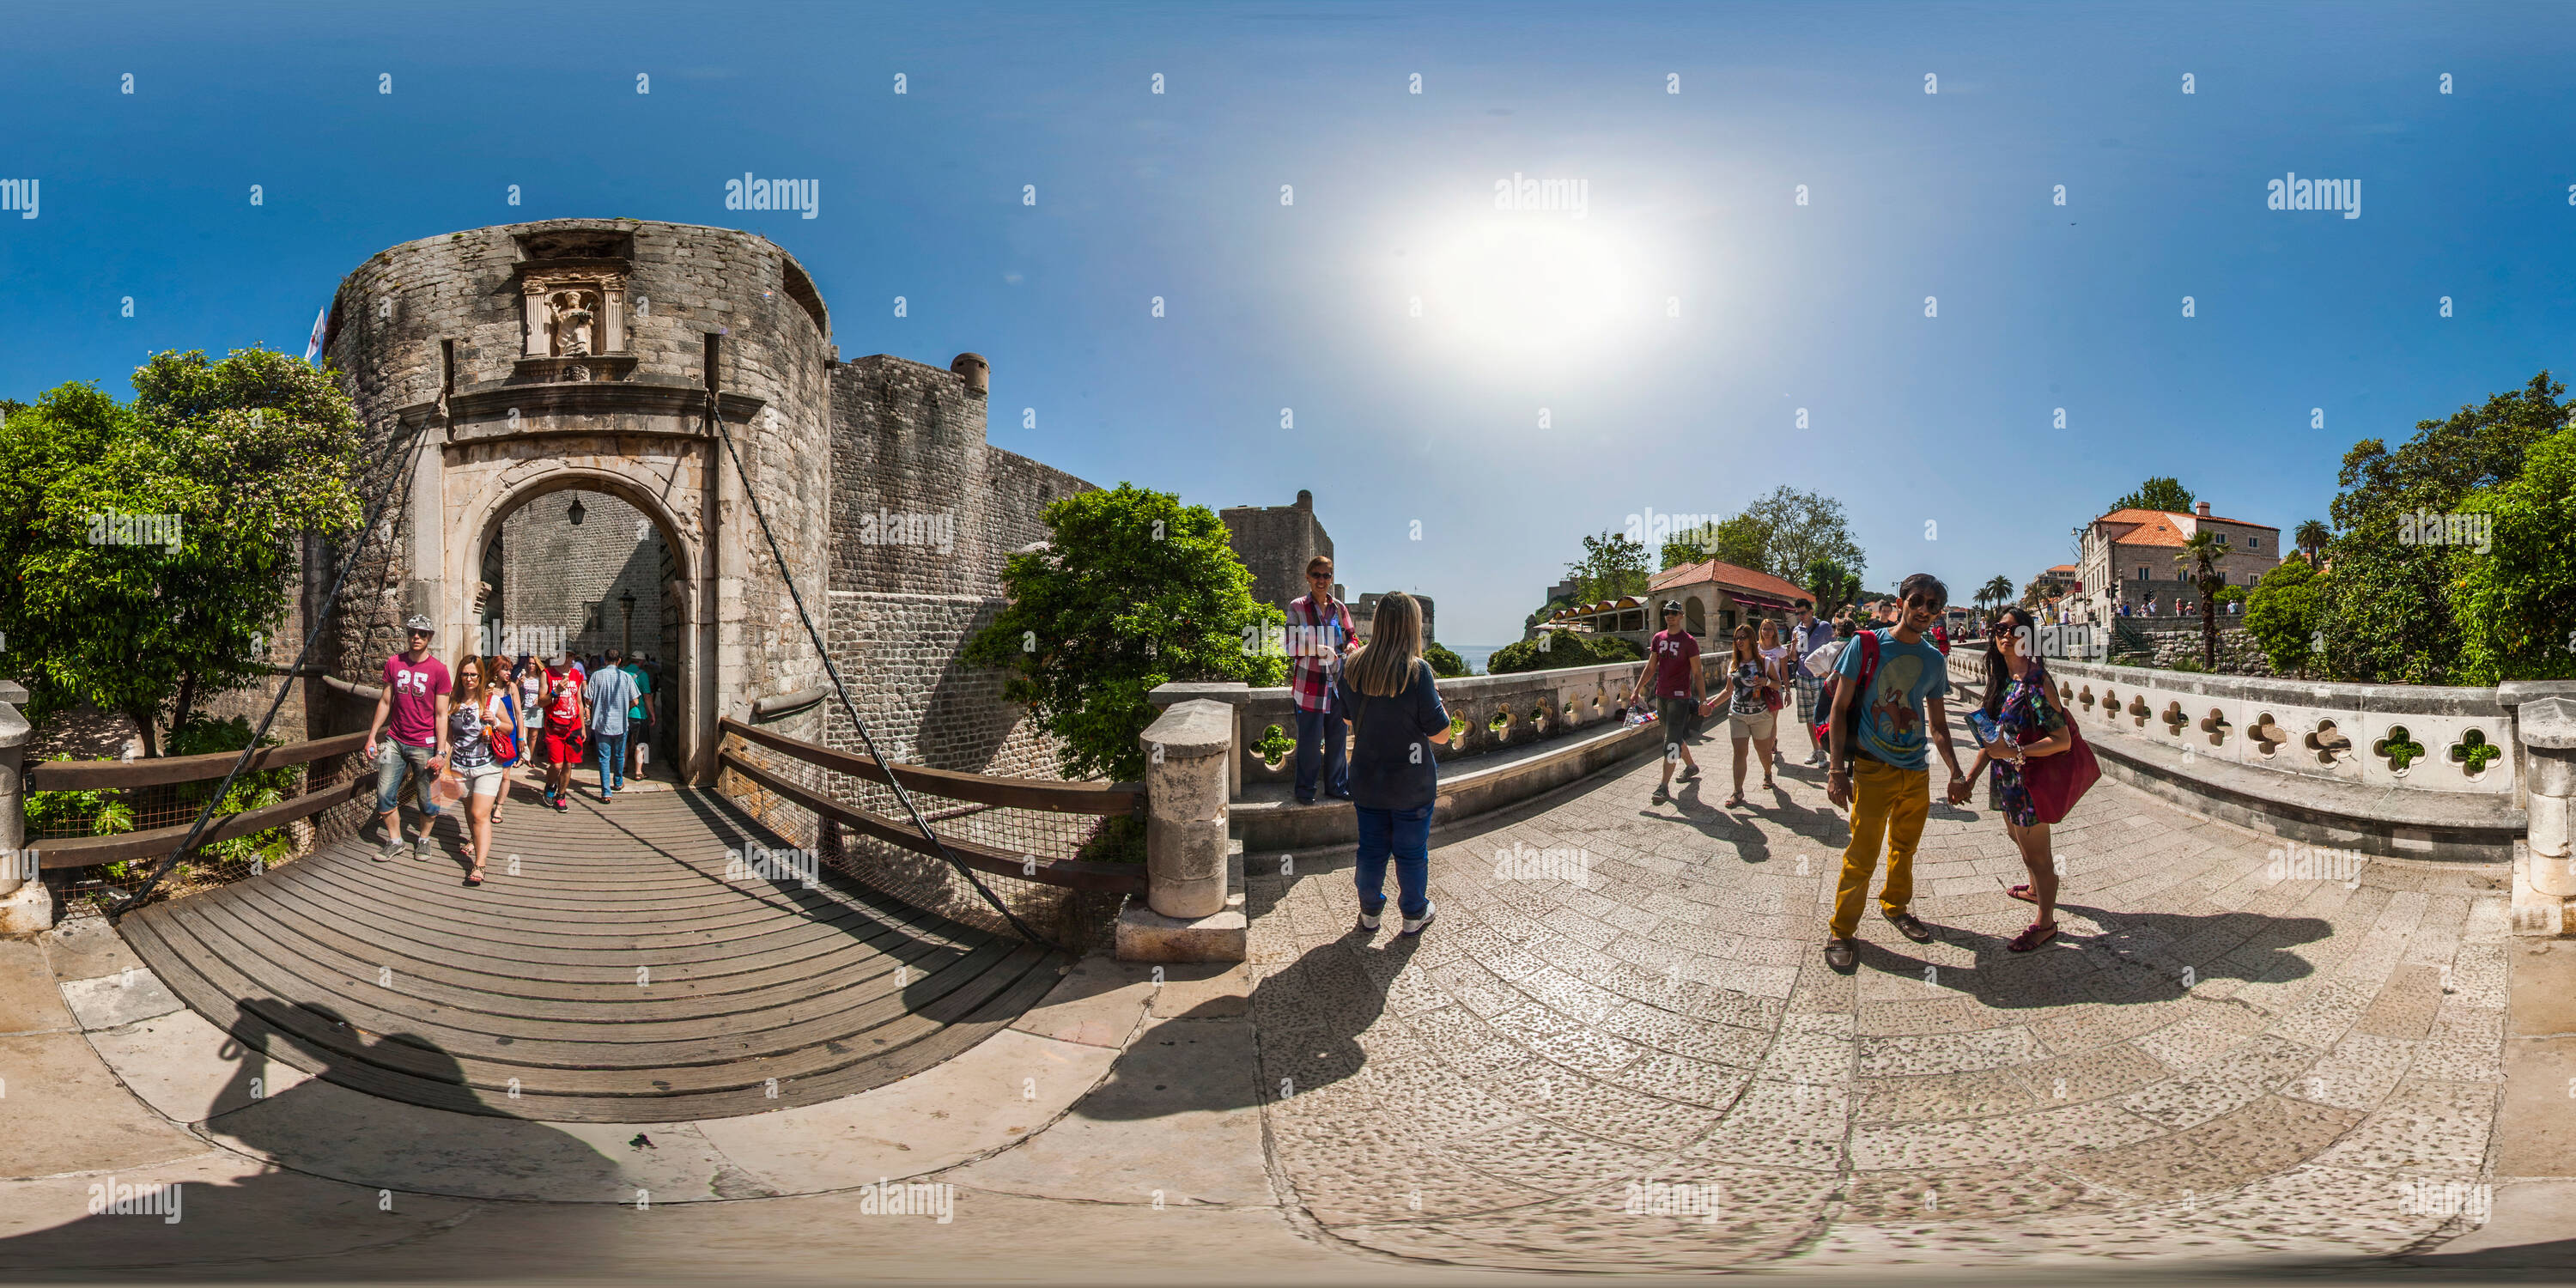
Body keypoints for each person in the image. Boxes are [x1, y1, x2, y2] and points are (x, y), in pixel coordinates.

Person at [1820, 574, 1969, 972]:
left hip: (1915, 772)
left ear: (1939, 613)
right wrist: (1836, 769)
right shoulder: (1867, 644)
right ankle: (1842, 929)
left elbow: (1938, 725)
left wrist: (1956, 772)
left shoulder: (1934, 660)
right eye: (1917, 601)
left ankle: (1895, 905)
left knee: (1905, 848)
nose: (1924, 610)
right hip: (1872, 769)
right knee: (1861, 855)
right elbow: (1839, 707)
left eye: (1933, 606)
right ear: (1901, 600)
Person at [1333, 592, 1451, 937]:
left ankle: (1370, 913)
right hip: (1411, 783)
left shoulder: (1352, 666)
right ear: (1412, 626)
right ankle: (1414, 913)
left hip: (1368, 779)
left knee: (1371, 849)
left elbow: (1346, 721)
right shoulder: (1418, 672)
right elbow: (1442, 735)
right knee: (1411, 852)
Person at [1964, 606, 2075, 952]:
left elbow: (2062, 740)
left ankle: (2046, 923)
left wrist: (2013, 754)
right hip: (2006, 780)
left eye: (2015, 629)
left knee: (2039, 856)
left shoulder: (2036, 682)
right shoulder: (2003, 681)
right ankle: (2032, 888)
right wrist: (1969, 778)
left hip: (2028, 782)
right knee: (2017, 838)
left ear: (2029, 636)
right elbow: (1993, 739)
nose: (2006, 634)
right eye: (2000, 628)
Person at [364, 615, 452, 862]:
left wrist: (441, 752)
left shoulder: (439, 671)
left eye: (422, 633)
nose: (416, 637)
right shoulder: (394, 663)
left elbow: (441, 714)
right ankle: (395, 841)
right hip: (395, 739)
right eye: (413, 632)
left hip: (424, 744)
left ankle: (423, 839)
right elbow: (385, 701)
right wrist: (372, 736)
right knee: (384, 794)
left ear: (430, 638)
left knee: (427, 799)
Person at [445, 653, 524, 886]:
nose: (469, 679)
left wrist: (496, 722)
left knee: (480, 814)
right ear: (459, 676)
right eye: (465, 674)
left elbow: (510, 726)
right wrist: (442, 759)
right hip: (460, 766)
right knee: (471, 814)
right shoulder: (453, 702)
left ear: (481, 676)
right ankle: (474, 837)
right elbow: (449, 737)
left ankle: (479, 865)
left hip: (488, 766)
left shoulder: (492, 701)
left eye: (474, 675)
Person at [1285, 556, 1357, 805]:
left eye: (1327, 575)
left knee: (1338, 742)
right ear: (1308, 576)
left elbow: (1352, 637)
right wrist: (1317, 649)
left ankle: (1337, 787)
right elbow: (1291, 646)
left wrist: (1350, 647)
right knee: (1309, 744)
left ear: (1332, 578)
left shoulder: (1340, 608)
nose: (1322, 580)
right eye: (1317, 575)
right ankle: (1305, 790)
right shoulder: (1298, 607)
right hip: (1309, 687)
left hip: (1337, 686)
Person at [1626, 600, 1704, 804]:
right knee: (1673, 735)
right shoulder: (1658, 638)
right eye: (1667, 612)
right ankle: (1691, 766)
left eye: (1673, 612)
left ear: (1681, 616)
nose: (1669, 615)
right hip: (1662, 695)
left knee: (1670, 742)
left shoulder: (1689, 642)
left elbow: (1697, 672)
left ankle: (1663, 786)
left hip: (1680, 698)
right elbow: (1651, 667)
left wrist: (1704, 701)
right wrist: (1636, 690)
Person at [1698, 623, 1779, 807]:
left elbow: (1777, 684)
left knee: (1763, 751)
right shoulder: (1734, 664)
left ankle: (1767, 773)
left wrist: (1766, 681)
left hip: (1760, 716)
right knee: (1739, 753)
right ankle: (1738, 792)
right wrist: (1710, 705)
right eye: (1737, 638)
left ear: (1752, 639)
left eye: (1743, 637)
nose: (1739, 641)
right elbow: (1728, 691)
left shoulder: (1765, 662)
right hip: (1737, 715)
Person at [585, 648, 641, 802]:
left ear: (604, 660)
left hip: (602, 723)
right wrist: (624, 707)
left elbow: (588, 699)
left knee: (604, 758)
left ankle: (606, 792)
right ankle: (618, 781)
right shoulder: (626, 677)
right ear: (620, 661)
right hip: (621, 724)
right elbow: (636, 701)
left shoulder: (597, 676)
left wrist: (590, 708)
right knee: (619, 754)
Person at [538, 652, 586, 811]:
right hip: (554, 727)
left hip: (573, 727)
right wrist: (555, 691)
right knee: (556, 765)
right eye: (567, 656)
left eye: (572, 657)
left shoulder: (576, 675)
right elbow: (540, 702)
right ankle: (550, 784)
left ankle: (561, 795)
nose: (570, 660)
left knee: (568, 764)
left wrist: (583, 727)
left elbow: (579, 701)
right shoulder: (548, 674)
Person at [1789, 601, 1835, 768]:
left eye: (1803, 613)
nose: (1800, 617)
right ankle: (1816, 750)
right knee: (1808, 716)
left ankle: (1824, 751)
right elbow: (1795, 657)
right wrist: (1793, 647)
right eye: (1797, 614)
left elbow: (1833, 649)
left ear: (1811, 611)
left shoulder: (1824, 626)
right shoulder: (1797, 630)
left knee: (1822, 715)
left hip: (1819, 676)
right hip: (1802, 676)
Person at [483, 654, 522, 826]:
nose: (508, 673)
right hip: (489, 733)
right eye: (505, 669)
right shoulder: (486, 688)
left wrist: (521, 737)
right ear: (496, 670)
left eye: (510, 670)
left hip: (509, 732)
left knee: (506, 773)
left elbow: (519, 714)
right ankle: (487, 801)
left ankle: (499, 806)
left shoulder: (511, 687)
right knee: (490, 769)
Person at [1756, 619, 1792, 776]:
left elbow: (1784, 673)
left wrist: (1789, 692)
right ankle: (1771, 742)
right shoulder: (1755, 647)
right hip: (1758, 689)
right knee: (1761, 721)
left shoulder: (1780, 650)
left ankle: (1769, 751)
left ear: (1775, 632)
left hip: (1774, 689)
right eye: (1764, 628)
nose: (1767, 631)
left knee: (1772, 721)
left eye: (1770, 629)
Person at [621, 653, 656, 780]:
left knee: (624, 742)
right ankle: (638, 771)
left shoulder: (621, 672)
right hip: (638, 714)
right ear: (641, 662)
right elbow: (647, 696)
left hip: (623, 714)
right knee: (641, 744)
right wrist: (652, 713)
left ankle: (623, 767)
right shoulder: (642, 675)